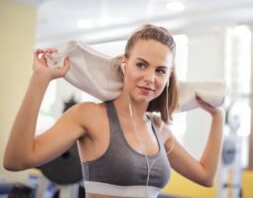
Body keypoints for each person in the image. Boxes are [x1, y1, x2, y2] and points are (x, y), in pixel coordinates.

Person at [3, 24, 224, 198]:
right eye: (141, 65)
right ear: (124, 63)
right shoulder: (89, 115)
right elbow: (16, 160)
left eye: (160, 70)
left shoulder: (159, 130)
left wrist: (217, 116)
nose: (150, 78)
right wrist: (40, 79)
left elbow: (205, 176)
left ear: (168, 77)